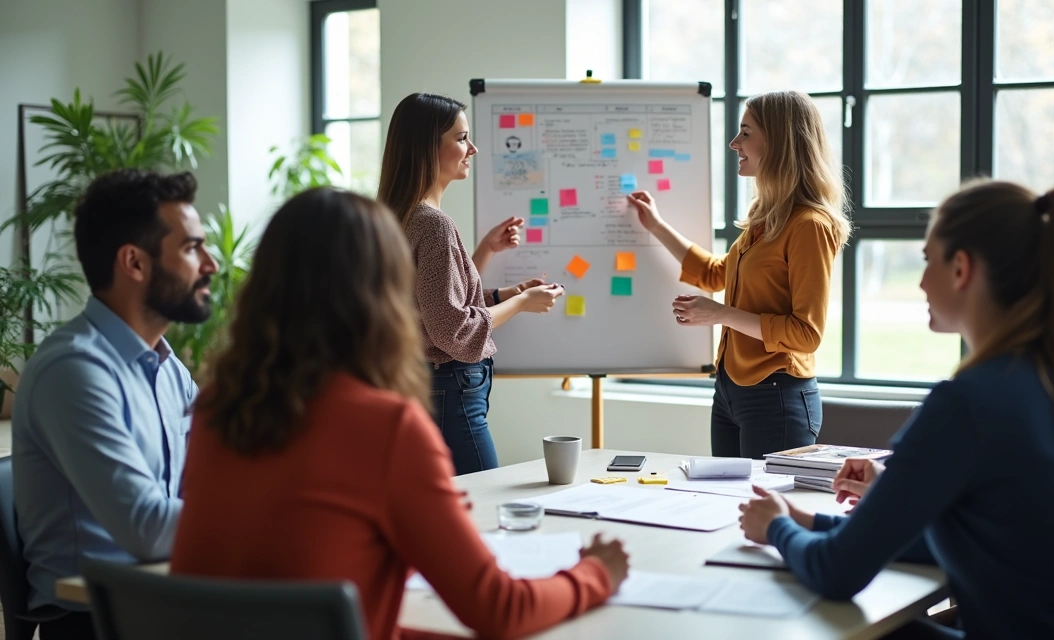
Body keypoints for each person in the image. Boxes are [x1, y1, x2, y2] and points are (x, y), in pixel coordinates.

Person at [171, 188, 628, 640]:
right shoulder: (388, 428)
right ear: (382, 294)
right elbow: (499, 609)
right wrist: (594, 574)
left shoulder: (215, 410)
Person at [738, 182, 1054, 639]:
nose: (920, 281)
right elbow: (984, 541)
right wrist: (815, 523)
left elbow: (836, 574)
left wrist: (777, 527)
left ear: (961, 268)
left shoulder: (969, 404)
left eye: (926, 260)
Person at [13, 169, 216, 640]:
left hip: (166, 597)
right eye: (191, 248)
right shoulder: (74, 371)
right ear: (135, 263)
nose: (211, 263)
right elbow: (145, 528)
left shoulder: (167, 367)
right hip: (95, 621)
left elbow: (223, 464)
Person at [627, 90, 850, 459]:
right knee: (727, 509)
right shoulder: (766, 218)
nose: (734, 143)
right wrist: (656, 225)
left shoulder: (809, 225)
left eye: (745, 133)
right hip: (731, 391)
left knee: (763, 513)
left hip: (776, 395)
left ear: (778, 142)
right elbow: (717, 273)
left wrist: (720, 315)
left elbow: (806, 334)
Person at [378, 92, 564, 475]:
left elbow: (428, 301)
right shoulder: (434, 225)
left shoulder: (396, 215)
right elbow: (452, 328)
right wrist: (522, 302)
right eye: (462, 138)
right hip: (452, 388)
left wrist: (496, 279)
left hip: (425, 383)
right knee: (481, 502)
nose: (473, 148)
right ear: (428, 148)